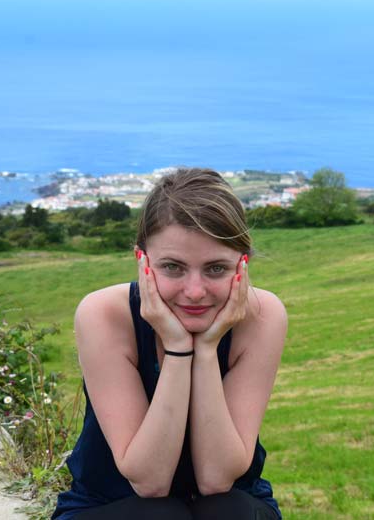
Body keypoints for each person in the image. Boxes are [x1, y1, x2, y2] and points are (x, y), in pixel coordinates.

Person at [53, 168, 287, 520]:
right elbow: (149, 483)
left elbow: (217, 479)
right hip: (110, 509)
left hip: (232, 506)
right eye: (173, 267)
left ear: (243, 265)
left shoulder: (262, 316)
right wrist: (178, 348)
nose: (195, 291)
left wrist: (207, 350)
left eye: (216, 269)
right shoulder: (103, 314)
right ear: (142, 262)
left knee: (228, 511)